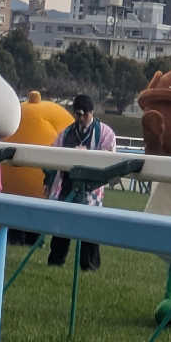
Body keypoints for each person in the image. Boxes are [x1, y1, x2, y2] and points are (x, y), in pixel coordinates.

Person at [44, 94, 116, 272]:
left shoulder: (105, 132)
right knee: (62, 225)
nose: (81, 118)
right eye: (78, 114)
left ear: (92, 112)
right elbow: (54, 156)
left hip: (92, 189)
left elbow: (110, 159)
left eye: (85, 114)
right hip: (67, 186)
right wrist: (49, 180)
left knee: (90, 226)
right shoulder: (66, 133)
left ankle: (89, 264)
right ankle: (56, 260)